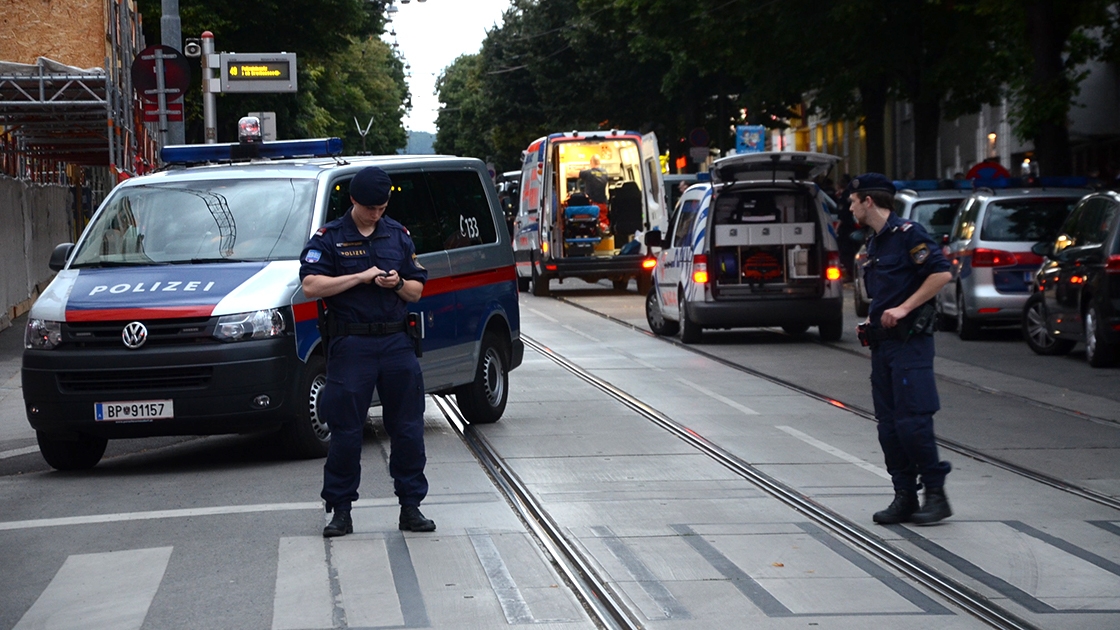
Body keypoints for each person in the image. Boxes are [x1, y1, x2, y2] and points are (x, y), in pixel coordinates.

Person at [300, 166, 435, 537]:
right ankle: (340, 510)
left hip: (395, 342)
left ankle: (411, 506)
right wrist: (359, 277)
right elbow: (311, 285)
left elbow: (416, 291)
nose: (376, 214)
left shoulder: (398, 235)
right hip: (352, 343)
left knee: (407, 429)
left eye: (382, 207)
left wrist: (396, 283)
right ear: (354, 200)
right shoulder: (330, 237)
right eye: (370, 207)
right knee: (345, 431)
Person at [848, 172, 953, 526]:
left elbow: (941, 274)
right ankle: (904, 495)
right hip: (884, 347)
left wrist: (905, 308)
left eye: (853, 200)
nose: (849, 206)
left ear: (868, 201)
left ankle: (935, 496)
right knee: (889, 428)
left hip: (910, 345)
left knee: (913, 423)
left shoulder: (910, 235)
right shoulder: (875, 242)